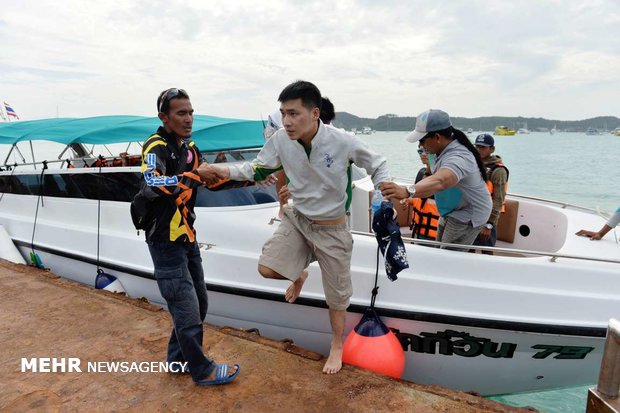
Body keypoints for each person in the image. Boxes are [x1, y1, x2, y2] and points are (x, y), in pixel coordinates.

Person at [207, 80, 391, 374]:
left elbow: (379, 164)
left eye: (294, 114)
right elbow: (257, 168)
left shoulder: (342, 141)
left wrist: (383, 191)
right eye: (283, 113)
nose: (287, 121)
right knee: (266, 269)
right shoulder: (280, 139)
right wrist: (220, 169)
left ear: (315, 113)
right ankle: (301, 271)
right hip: (299, 219)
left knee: (337, 297)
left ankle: (336, 344)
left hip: (332, 228)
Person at [137, 88, 239, 386]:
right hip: (164, 241)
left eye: (191, 112)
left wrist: (246, 178)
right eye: (181, 113)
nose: (188, 118)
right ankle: (202, 370)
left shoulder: (190, 147)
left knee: (200, 302)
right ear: (164, 117)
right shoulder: (154, 146)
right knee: (186, 307)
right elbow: (152, 182)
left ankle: (178, 360)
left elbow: (210, 181)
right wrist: (194, 176)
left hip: (186, 235)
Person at [381, 109, 492, 248]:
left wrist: (407, 191)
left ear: (437, 137)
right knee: (439, 249)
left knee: (446, 258)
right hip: (451, 210)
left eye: (422, 140)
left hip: (468, 214)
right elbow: (433, 176)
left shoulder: (459, 157)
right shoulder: (439, 151)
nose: (421, 146)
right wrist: (411, 193)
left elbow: (442, 180)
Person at [472, 134, 509, 253]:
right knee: (466, 251)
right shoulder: (473, 164)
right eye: (477, 146)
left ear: (492, 149)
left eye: (483, 147)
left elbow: (498, 200)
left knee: (486, 253)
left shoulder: (498, 171)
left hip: (486, 220)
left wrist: (489, 224)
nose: (479, 150)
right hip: (470, 218)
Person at [405, 166, 439, 240]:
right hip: (419, 233)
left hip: (430, 237)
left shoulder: (439, 201)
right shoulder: (418, 199)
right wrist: (405, 201)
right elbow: (411, 200)